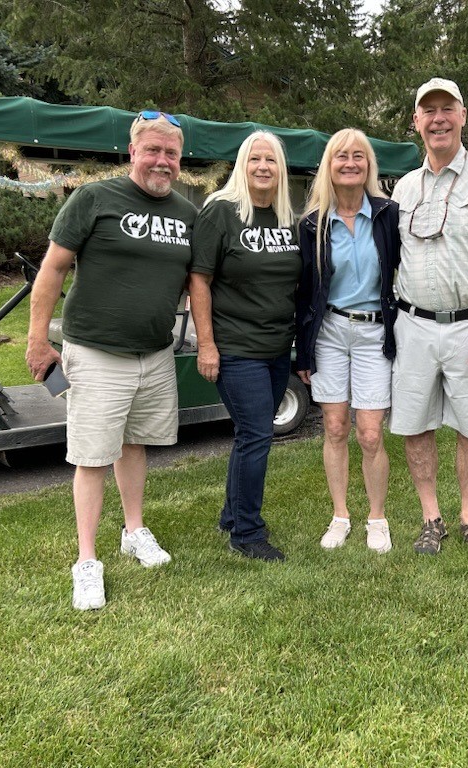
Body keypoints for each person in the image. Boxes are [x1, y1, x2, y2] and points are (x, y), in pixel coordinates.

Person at [26, 111, 196, 610]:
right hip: (96, 352)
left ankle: (134, 531)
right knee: (93, 456)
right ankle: (86, 561)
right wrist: (38, 339)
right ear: (132, 152)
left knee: (135, 444)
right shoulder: (94, 199)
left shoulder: (187, 214)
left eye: (171, 153)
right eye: (153, 151)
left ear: (180, 161)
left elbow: (196, 284)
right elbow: (53, 269)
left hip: (156, 353)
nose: (161, 161)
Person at [390, 77, 468, 556]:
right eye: (429, 111)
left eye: (448, 109)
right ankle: (431, 518)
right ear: (416, 122)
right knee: (416, 424)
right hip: (414, 325)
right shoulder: (402, 189)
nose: (438, 118)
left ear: (463, 116)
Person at [189, 131, 301, 562]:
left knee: (249, 434)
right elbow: (199, 280)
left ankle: (231, 515)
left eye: (270, 160)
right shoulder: (221, 212)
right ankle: (248, 533)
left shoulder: (286, 214)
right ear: (242, 163)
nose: (263, 167)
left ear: (281, 167)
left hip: (277, 347)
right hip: (235, 346)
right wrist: (207, 345)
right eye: (254, 159)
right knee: (257, 434)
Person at [296, 129, 401, 554]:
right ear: (329, 165)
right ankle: (341, 515)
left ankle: (377, 517)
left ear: (369, 165)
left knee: (371, 434)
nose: (350, 163)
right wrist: (302, 349)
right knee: (336, 427)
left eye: (359, 156)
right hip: (330, 334)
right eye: (341, 156)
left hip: (375, 331)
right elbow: (303, 291)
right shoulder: (312, 224)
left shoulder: (388, 214)